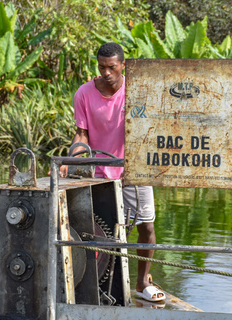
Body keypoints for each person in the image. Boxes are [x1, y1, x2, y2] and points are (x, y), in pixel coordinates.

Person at [59, 42, 165, 303]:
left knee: (147, 226)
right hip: (98, 172)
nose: (106, 73)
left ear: (123, 66)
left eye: (112, 67)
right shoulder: (84, 93)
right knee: (103, 231)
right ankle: (99, 286)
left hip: (134, 168)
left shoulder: (136, 89)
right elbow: (81, 134)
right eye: (101, 67)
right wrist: (72, 159)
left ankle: (142, 283)